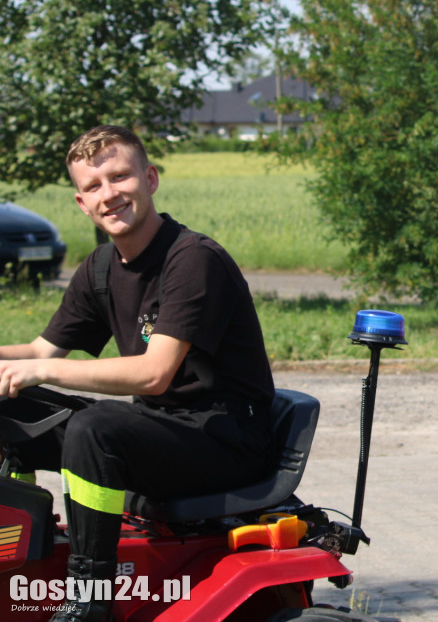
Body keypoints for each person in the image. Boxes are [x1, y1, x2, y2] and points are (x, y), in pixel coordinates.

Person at [0, 125, 275, 622]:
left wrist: (41, 369)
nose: (109, 194)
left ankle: (90, 599)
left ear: (149, 179)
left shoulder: (193, 260)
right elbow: (42, 348)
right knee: (9, 406)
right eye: (94, 186)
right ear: (81, 203)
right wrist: (22, 366)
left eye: (119, 176)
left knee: (95, 428)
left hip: (224, 441)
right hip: (160, 434)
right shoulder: (101, 268)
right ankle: (19, 552)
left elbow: (154, 374)